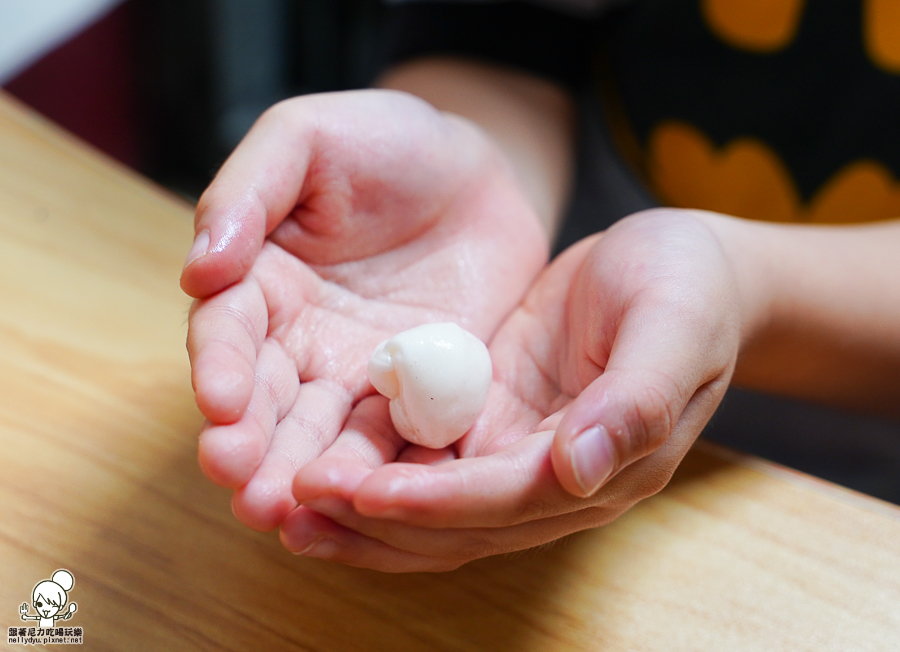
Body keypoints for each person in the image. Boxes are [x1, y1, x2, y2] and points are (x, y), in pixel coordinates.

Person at [181, 0, 900, 572]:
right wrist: (469, 160)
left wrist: (748, 287)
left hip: (856, 511)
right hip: (549, 352)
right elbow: (503, 38)